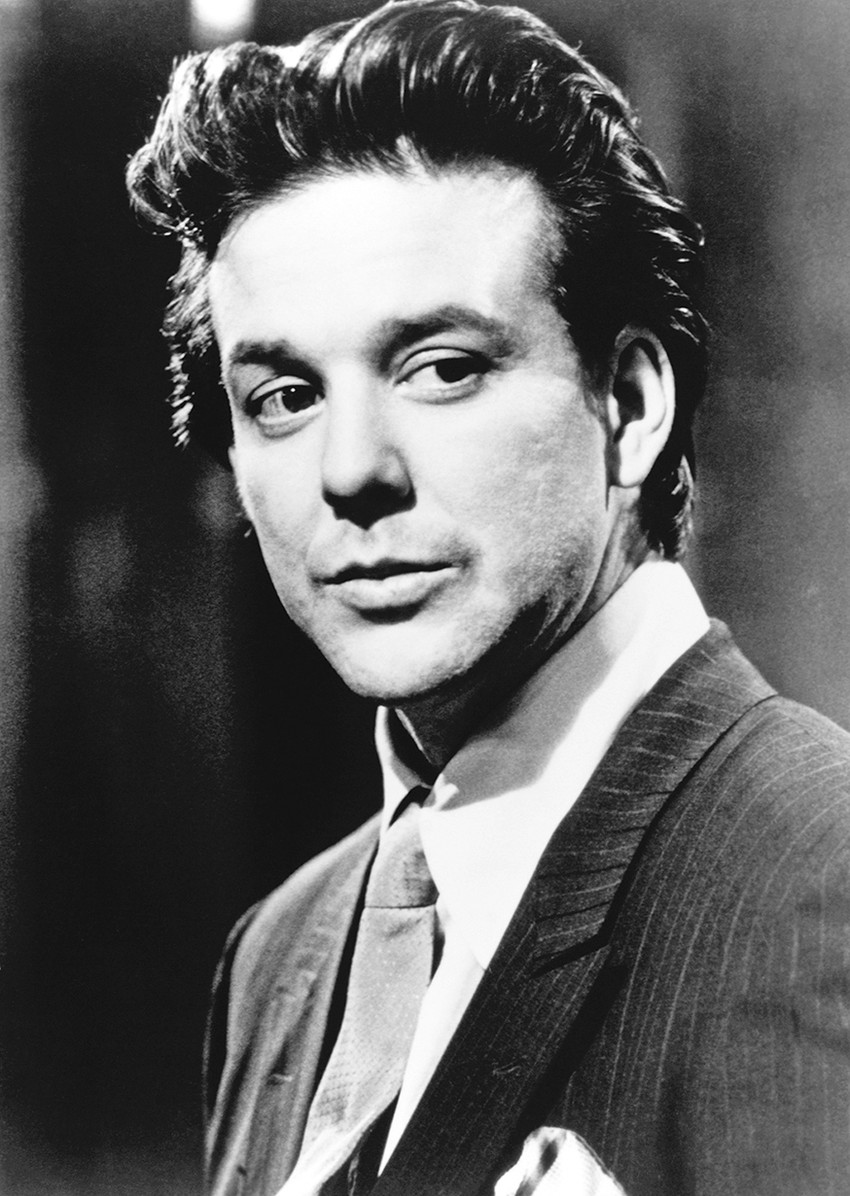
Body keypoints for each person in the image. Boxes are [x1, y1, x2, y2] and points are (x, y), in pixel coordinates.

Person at [126, 1, 850, 1193]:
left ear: (630, 405)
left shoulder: (816, 884)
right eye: (285, 396)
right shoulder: (280, 956)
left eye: (443, 368)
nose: (351, 469)